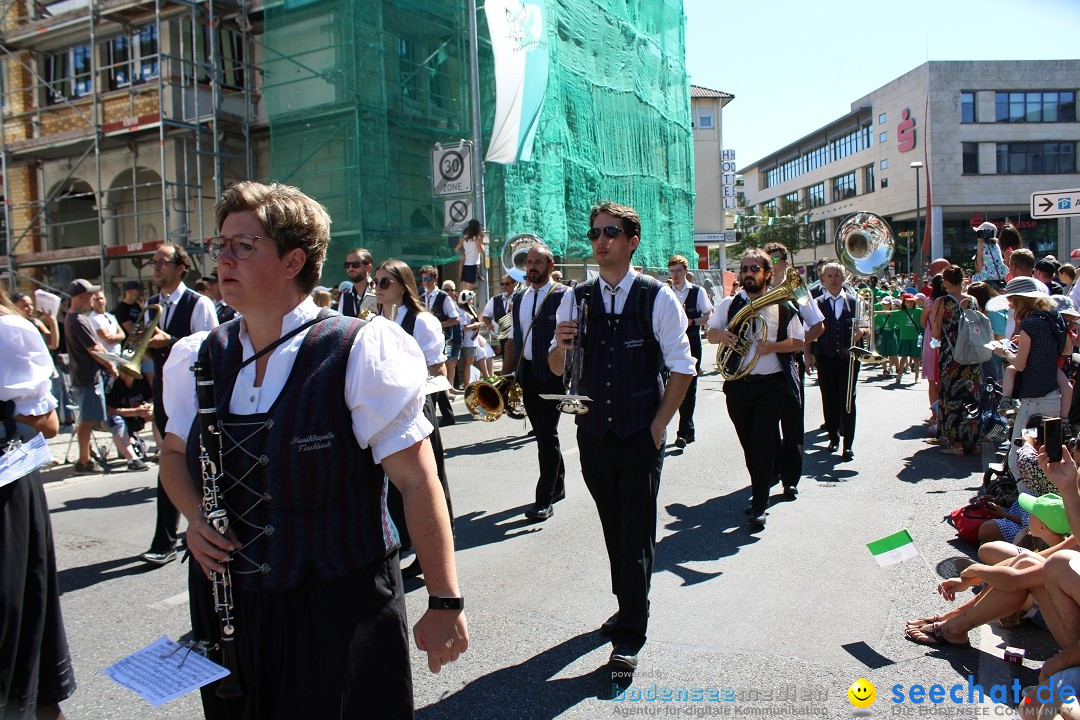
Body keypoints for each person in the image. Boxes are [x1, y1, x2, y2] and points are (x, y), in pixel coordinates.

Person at [159, 182, 467, 719]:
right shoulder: (198, 354)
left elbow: (418, 481)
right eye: (220, 246)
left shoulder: (357, 347)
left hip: (339, 606)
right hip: (233, 604)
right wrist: (195, 519)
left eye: (243, 246)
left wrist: (443, 600)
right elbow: (170, 454)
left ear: (292, 260)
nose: (223, 259)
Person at [550, 201, 694, 673]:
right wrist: (561, 346)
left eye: (610, 232)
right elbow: (555, 368)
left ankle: (632, 629)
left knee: (635, 532)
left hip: (638, 432)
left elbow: (682, 367)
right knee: (613, 526)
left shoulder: (658, 296)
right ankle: (626, 604)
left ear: (632, 241)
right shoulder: (575, 297)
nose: (600, 241)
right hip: (593, 431)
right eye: (594, 234)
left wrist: (659, 426)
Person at [0, 284, 76, 720]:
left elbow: (43, 422)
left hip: (8, 494)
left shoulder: (9, 331)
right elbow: (43, 420)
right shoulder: (10, 329)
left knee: (19, 629)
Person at [374, 258, 456, 580]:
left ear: (402, 285)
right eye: (376, 282)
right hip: (388, 410)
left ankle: (434, 551)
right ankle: (407, 541)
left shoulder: (421, 321)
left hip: (417, 406)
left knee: (429, 478)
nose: (378, 289)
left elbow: (437, 368)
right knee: (394, 482)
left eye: (384, 283)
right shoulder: (378, 320)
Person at [710, 250, 805, 526]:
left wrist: (773, 347)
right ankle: (764, 482)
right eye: (745, 268)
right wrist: (722, 336)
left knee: (762, 442)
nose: (748, 273)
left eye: (754, 268)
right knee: (750, 445)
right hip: (738, 385)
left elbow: (798, 342)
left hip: (772, 386)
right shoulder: (729, 304)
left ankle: (760, 504)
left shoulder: (784, 305)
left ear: (767, 273)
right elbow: (710, 333)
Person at [140, 242, 218, 565]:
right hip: (161, 391)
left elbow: (213, 347)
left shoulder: (199, 303)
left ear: (181, 266)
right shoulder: (152, 304)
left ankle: (183, 532)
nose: (156, 267)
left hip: (192, 396)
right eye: (154, 262)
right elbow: (145, 349)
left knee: (196, 463)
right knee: (167, 459)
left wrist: (169, 342)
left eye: (163, 261)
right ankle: (166, 537)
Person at [513, 245, 570, 521]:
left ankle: (543, 499)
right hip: (527, 374)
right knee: (543, 433)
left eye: (537, 262)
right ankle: (558, 483)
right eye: (529, 262)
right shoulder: (519, 298)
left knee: (546, 434)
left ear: (550, 264)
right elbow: (515, 337)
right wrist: (509, 374)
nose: (532, 266)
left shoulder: (563, 294)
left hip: (553, 375)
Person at [764, 242, 824, 490]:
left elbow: (818, 326)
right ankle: (771, 471)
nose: (771, 264)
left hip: (788, 362)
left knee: (791, 422)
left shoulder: (797, 289)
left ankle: (790, 479)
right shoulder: (757, 286)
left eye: (776, 259)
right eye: (767, 259)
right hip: (763, 363)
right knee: (764, 424)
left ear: (786, 262)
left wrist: (798, 345)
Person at [993, 277, 1066, 474]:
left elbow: (1019, 364)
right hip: (1052, 397)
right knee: (1045, 456)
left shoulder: (1030, 324)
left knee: (1019, 458)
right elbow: (1062, 350)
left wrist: (1004, 351)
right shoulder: (1053, 319)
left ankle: (1024, 502)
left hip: (1034, 401)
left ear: (1019, 300)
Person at [64, 279, 120, 474]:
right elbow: (94, 349)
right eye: (89, 294)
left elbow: (95, 346)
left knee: (87, 419)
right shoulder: (78, 320)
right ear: (80, 297)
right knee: (87, 421)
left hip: (84, 375)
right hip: (87, 376)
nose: (93, 297)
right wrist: (110, 364)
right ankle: (83, 460)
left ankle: (86, 455)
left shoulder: (76, 317)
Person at [811, 262, 865, 462]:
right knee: (829, 399)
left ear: (843, 278)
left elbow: (866, 326)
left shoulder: (855, 301)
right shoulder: (817, 303)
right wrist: (808, 356)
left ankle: (848, 444)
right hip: (824, 357)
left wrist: (862, 332)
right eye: (829, 276)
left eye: (837, 275)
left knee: (848, 400)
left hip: (848, 359)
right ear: (823, 280)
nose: (833, 279)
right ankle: (833, 437)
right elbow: (809, 330)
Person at [931, 265, 983, 456]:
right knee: (971, 396)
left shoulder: (942, 302)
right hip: (973, 355)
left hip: (951, 355)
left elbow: (936, 332)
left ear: (945, 282)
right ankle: (974, 442)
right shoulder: (973, 300)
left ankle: (957, 444)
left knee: (952, 398)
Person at [667, 254, 714, 449]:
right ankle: (687, 429)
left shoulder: (697, 291)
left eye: (678, 271)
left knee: (688, 386)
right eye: (672, 271)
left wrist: (692, 321)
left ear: (686, 271)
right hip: (670, 341)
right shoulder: (666, 291)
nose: (675, 275)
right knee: (666, 385)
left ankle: (684, 431)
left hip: (692, 339)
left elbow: (708, 315)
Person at [419, 266, 460, 424]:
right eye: (423, 280)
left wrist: (437, 324)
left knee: (434, 374)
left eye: (428, 279)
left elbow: (455, 318)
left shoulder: (444, 297)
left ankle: (433, 413)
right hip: (426, 339)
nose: (425, 283)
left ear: (435, 279)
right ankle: (448, 414)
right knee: (437, 377)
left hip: (440, 338)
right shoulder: (421, 295)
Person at [105, 372, 152, 471]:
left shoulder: (141, 379)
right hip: (116, 419)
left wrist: (149, 406)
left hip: (138, 417)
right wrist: (135, 412)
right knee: (117, 421)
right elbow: (110, 411)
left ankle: (161, 448)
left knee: (159, 411)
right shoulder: (114, 382)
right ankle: (132, 460)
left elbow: (150, 397)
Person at [480, 275, 515, 357]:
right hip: (503, 337)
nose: (504, 287)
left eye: (507, 284)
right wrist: (489, 324)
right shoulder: (495, 299)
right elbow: (485, 315)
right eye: (502, 284)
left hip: (516, 336)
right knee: (506, 359)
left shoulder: (520, 297)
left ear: (514, 283)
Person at [339, 247, 377, 318]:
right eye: (347, 265)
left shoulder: (379, 291)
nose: (350, 268)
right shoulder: (344, 296)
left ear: (368, 267)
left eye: (355, 264)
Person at [972, 221, 1009, 287]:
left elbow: (980, 260)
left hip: (987, 276)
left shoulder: (981, 243)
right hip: (999, 275)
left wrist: (981, 275)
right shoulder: (996, 245)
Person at [88, 290, 124, 357]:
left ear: (105, 299)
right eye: (97, 299)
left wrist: (113, 337)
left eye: (101, 298)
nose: (100, 301)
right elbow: (108, 340)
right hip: (107, 357)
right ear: (92, 302)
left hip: (118, 355)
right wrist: (117, 336)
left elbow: (123, 334)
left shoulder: (110, 316)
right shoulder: (93, 318)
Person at [454, 219, 485, 291]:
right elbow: (481, 251)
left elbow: (456, 249)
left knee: (465, 291)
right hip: (473, 266)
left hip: (466, 265)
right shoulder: (477, 238)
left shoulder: (465, 238)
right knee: (468, 292)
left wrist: (465, 252)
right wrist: (482, 240)